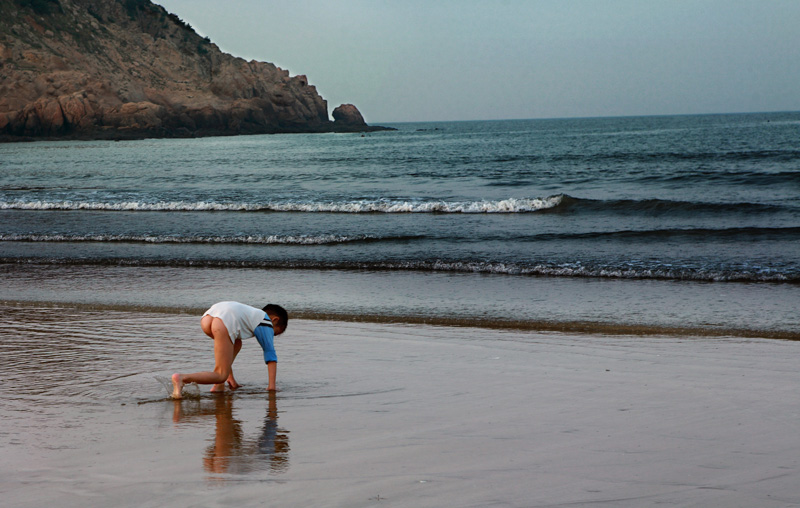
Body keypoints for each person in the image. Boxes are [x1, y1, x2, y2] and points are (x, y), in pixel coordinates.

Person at [171, 301, 288, 399]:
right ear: (275, 320)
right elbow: (270, 353)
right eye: (275, 333)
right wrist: (271, 387)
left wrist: (230, 376)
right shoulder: (266, 320)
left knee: (237, 343)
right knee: (220, 374)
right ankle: (182, 378)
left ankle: (219, 385)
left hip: (208, 317)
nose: (271, 336)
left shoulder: (252, 314)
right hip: (224, 321)